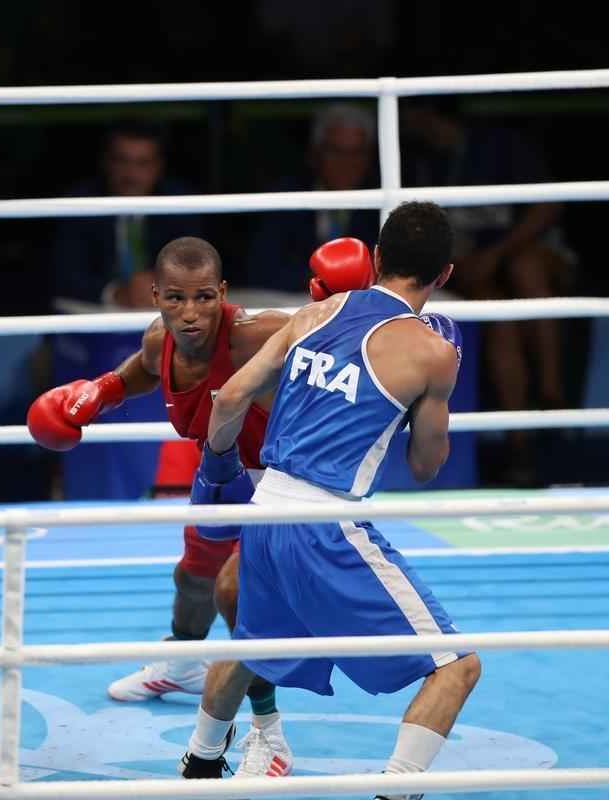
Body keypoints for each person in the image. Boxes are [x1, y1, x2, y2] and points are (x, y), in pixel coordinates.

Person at [27, 235, 375, 777]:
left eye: (205, 298)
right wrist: (100, 392)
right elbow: (141, 370)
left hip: (281, 483)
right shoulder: (157, 341)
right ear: (156, 297)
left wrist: (354, 302)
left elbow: (344, 346)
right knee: (193, 578)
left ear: (224, 294)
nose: (191, 314)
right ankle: (184, 662)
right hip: (218, 475)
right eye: (176, 299)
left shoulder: (254, 335)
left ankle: (269, 733)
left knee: (237, 598)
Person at [179, 202, 481, 799]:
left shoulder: (316, 312)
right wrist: (420, 401)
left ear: (375, 257)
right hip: (328, 525)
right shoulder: (431, 353)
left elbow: (232, 395)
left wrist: (216, 474)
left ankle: (198, 765)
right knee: (457, 667)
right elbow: (426, 466)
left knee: (254, 649)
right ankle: (397, 793)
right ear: (444, 275)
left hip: (264, 513)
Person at [404, 104, 576, 485]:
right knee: (495, 316)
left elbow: (549, 205)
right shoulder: (420, 160)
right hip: (472, 268)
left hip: (528, 255)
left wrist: (497, 254)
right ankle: (520, 443)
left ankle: (551, 390)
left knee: (525, 268)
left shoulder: (500, 144)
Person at [49, 121, 205, 308]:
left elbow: (198, 268)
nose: (131, 174)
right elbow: (63, 275)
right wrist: (115, 293)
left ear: (158, 166)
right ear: (106, 162)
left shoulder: (180, 204)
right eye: (122, 161)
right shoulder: (80, 204)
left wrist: (165, 286)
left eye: (142, 163)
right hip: (94, 313)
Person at [245, 103, 382, 293]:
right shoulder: (285, 199)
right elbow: (261, 268)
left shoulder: (382, 204)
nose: (347, 162)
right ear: (315, 153)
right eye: (336, 151)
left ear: (370, 157)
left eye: (357, 153)